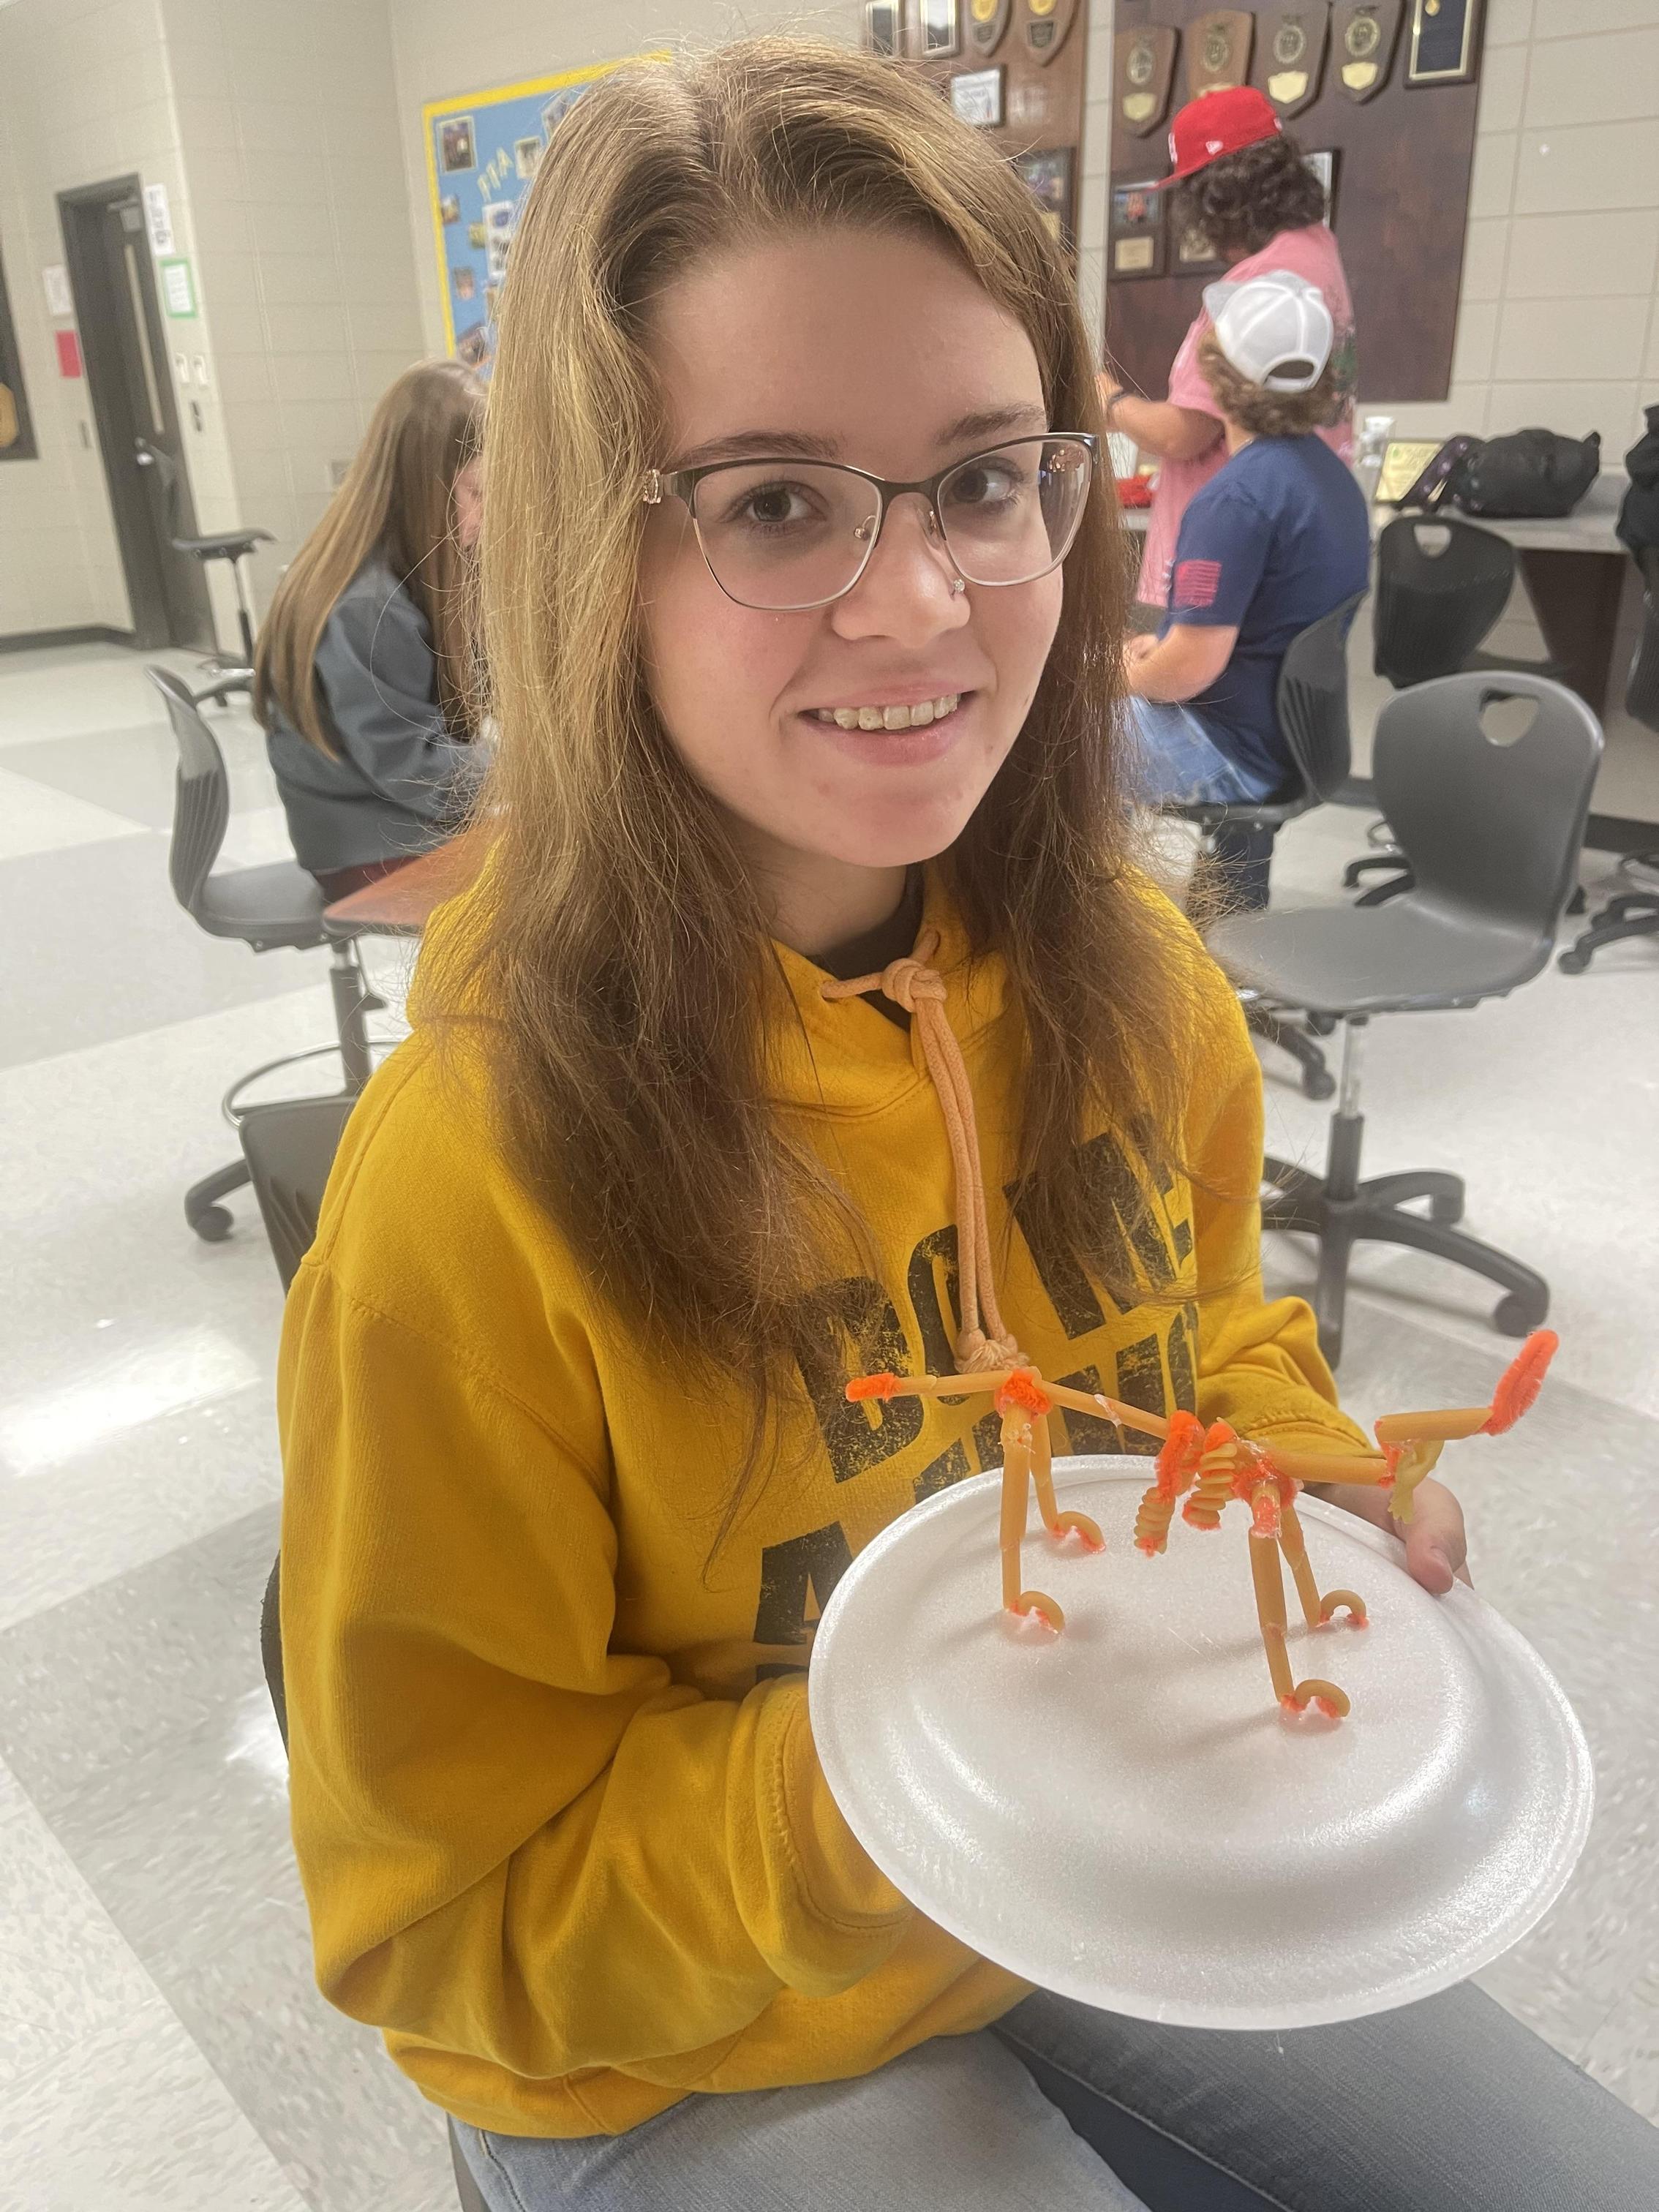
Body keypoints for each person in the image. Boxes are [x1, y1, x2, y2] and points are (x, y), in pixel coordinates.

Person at [276, 38, 1658, 2212]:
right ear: (586, 549)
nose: (922, 603)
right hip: (674, 2029)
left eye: (986, 479)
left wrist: (1298, 1479)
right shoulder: (476, 1188)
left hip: (1073, 1858)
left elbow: (1210, 1345)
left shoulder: (1135, 975)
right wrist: (893, 1791)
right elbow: (445, 1918)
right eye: (772, 502)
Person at [1099, 86, 1356, 612]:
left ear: (1215, 198)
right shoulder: (1318, 253)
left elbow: (1185, 434)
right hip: (1299, 545)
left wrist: (1109, 401)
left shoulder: (1256, 287)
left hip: (1232, 565)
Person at [1122, 270, 1371, 810]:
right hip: (1291, 746)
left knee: (1037, 745)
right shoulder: (1332, 481)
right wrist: (1160, 653)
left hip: (1227, 748)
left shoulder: (1233, 502)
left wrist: (1127, 674)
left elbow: (1189, 671)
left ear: (1216, 376)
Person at [252, 358, 486, 901]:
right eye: (476, 494)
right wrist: (531, 774)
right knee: (569, 882)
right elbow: (411, 768)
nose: (483, 520)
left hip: (372, 823)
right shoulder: (370, 606)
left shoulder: (387, 570)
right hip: (365, 848)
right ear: (424, 487)